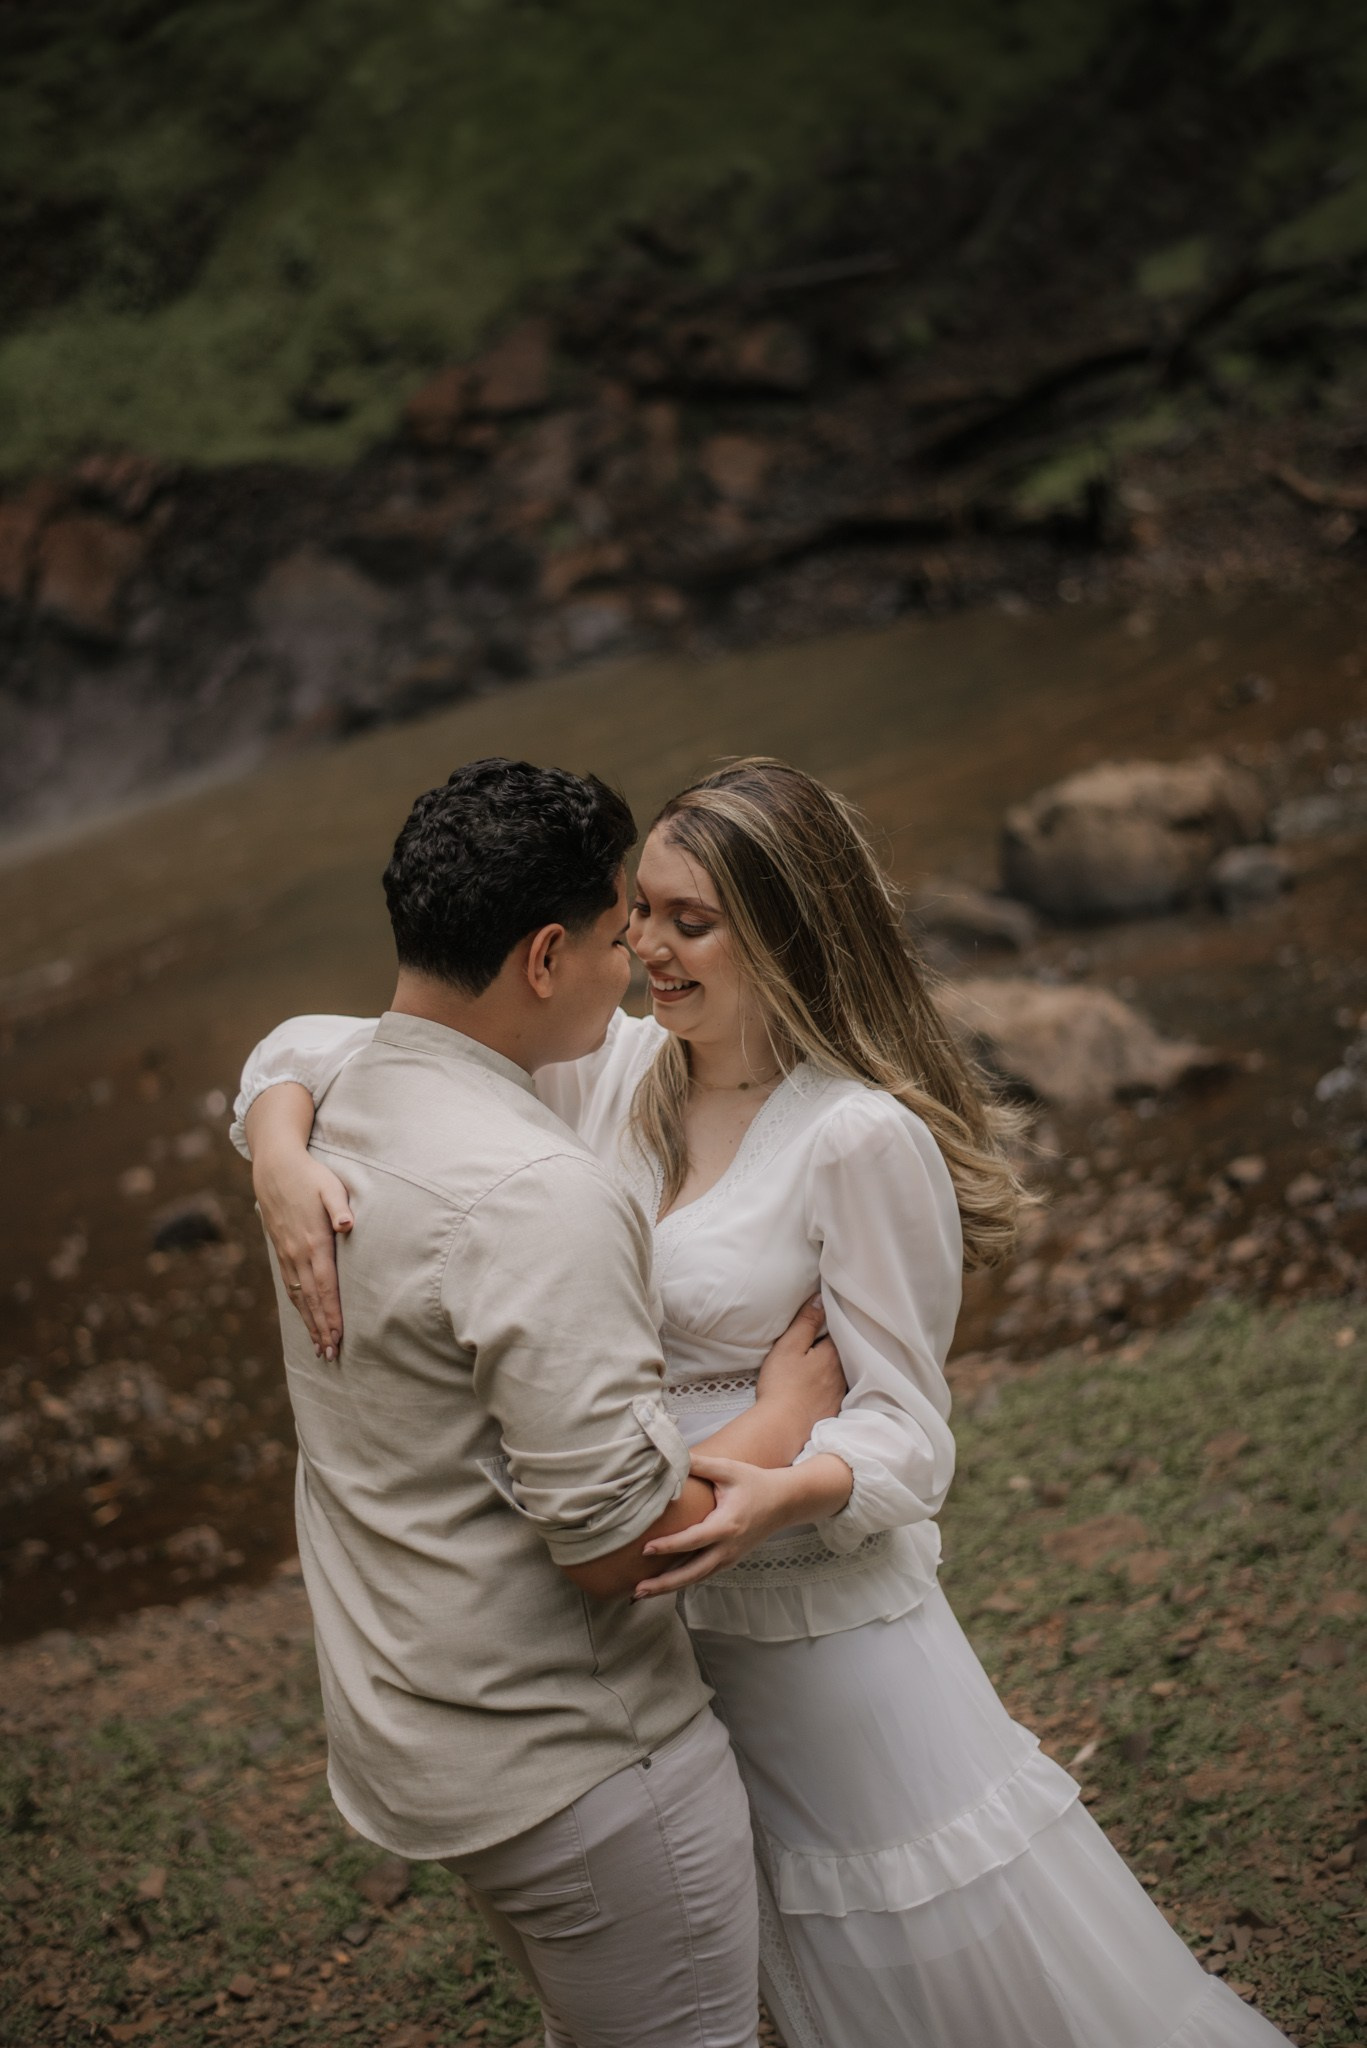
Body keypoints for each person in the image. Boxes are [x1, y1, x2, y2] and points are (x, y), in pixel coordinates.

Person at [237, 756, 1291, 2048]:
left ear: (785, 932)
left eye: (691, 921)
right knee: (752, 1968)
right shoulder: (613, 1072)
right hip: (668, 1636)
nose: (647, 947)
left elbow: (910, 1430)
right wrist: (280, 1150)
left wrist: (791, 1485)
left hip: (816, 1643)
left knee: (922, 1964)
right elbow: (346, 1042)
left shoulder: (856, 1137)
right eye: (640, 913)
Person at [232, 757, 853, 2048]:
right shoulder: (535, 1193)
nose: (638, 958)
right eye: (621, 933)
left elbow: (289, 1051)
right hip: (580, 1761)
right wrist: (786, 1412)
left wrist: (274, 1139)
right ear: (546, 957)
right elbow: (615, 1550)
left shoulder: (334, 1111)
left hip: (419, 1732)